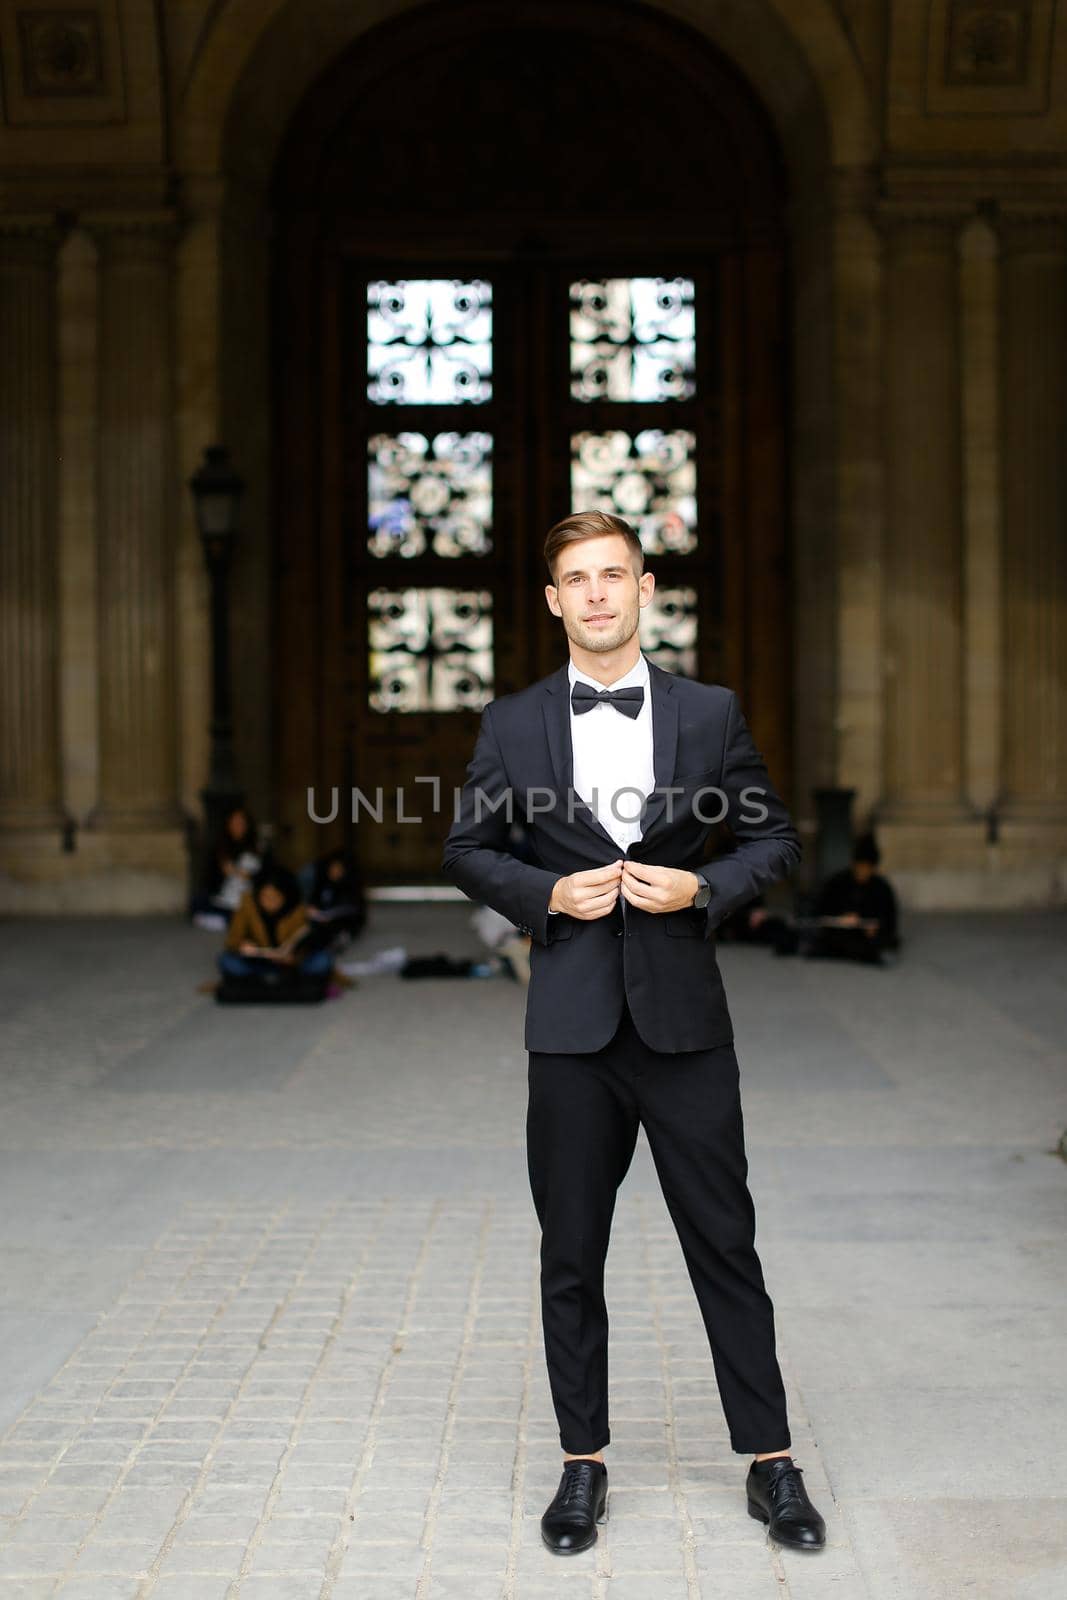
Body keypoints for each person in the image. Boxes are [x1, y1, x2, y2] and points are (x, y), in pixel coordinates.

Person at [442, 510, 826, 1556]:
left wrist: (703, 883)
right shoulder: (511, 722)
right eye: (578, 578)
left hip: (684, 1021)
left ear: (645, 587)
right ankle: (581, 1464)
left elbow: (772, 837)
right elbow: (466, 846)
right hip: (569, 1027)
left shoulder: (708, 713)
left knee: (725, 1244)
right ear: (554, 600)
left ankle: (770, 1463)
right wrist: (543, 891)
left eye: (614, 573)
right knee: (569, 1250)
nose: (598, 593)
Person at [217, 864, 333, 998]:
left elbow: (306, 941)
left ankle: (268, 982)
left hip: (291, 965)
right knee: (227, 961)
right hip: (258, 962)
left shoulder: (297, 908)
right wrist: (244, 944)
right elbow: (232, 940)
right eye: (264, 897)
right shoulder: (248, 903)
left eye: (275, 897)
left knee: (322, 961)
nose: (269, 902)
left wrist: (294, 957)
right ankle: (270, 981)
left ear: (285, 895)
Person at [804, 832, 899, 964]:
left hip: (865, 935)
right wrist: (841, 917)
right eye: (860, 867)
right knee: (828, 938)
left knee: (880, 941)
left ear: (873, 868)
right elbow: (821, 910)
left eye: (867, 868)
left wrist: (872, 926)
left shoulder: (882, 888)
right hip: (841, 931)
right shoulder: (838, 882)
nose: (862, 872)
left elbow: (889, 919)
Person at [191, 804, 262, 929]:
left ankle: (226, 921)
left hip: (247, 897)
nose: (237, 827)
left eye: (241, 823)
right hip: (224, 897)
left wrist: (247, 875)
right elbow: (209, 881)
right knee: (198, 901)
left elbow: (265, 877)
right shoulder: (220, 848)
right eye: (234, 823)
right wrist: (223, 873)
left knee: (246, 913)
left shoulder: (256, 848)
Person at [304, 847, 367, 952]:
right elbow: (314, 899)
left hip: (342, 921)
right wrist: (314, 909)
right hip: (322, 917)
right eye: (332, 868)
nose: (334, 872)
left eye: (339, 869)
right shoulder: (323, 881)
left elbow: (353, 908)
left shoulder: (351, 886)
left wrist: (328, 915)